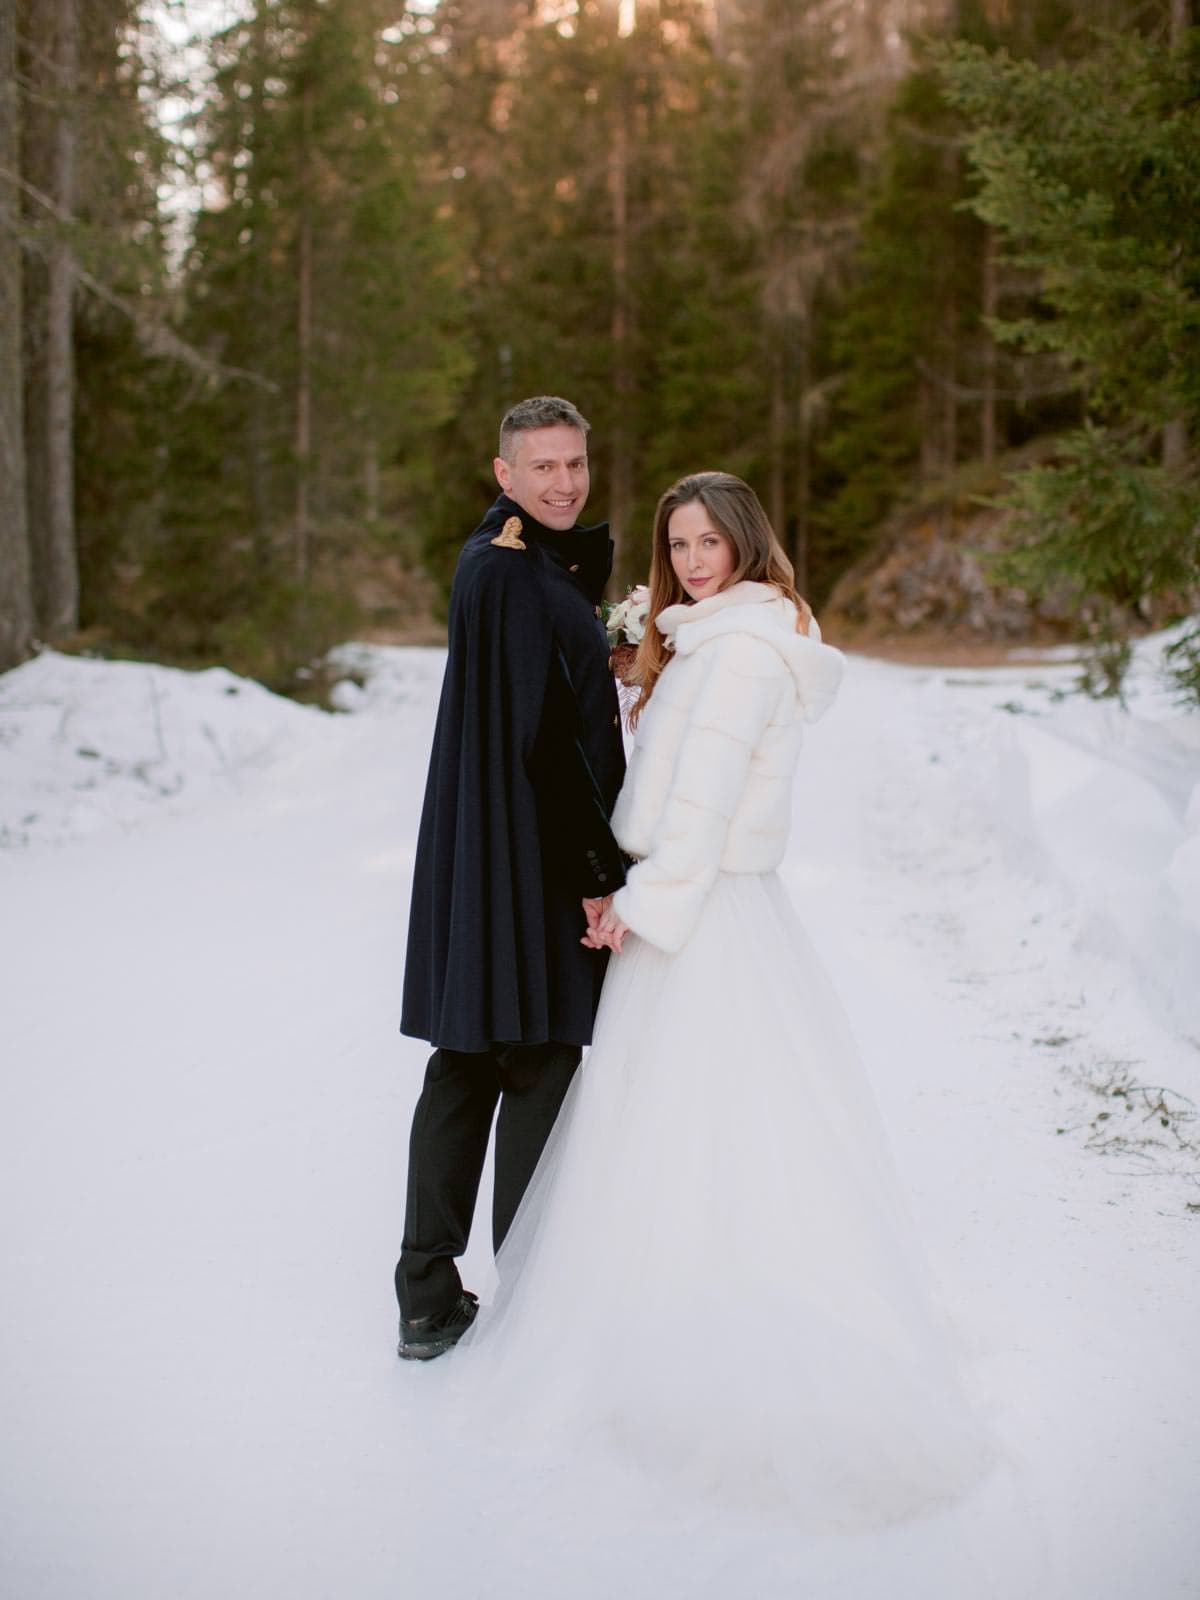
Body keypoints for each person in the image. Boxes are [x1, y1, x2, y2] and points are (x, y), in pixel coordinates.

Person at [451, 471, 994, 1524]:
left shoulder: (740, 652)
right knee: (690, 1124)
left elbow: (696, 810)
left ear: (748, 542)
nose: (693, 561)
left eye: (711, 542)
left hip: (701, 914)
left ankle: (720, 1331)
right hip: (705, 906)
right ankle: (676, 1303)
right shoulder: (717, 635)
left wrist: (630, 906)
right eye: (679, 545)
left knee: (705, 1120)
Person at [395, 396, 626, 1360]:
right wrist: (593, 876)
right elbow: (544, 747)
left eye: (576, 464)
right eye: (544, 468)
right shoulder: (520, 577)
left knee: (467, 1058)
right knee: (537, 1055)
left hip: (483, 847)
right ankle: (529, 1295)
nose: (565, 483)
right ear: (505, 475)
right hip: (530, 855)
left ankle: (424, 1294)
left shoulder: (494, 559)